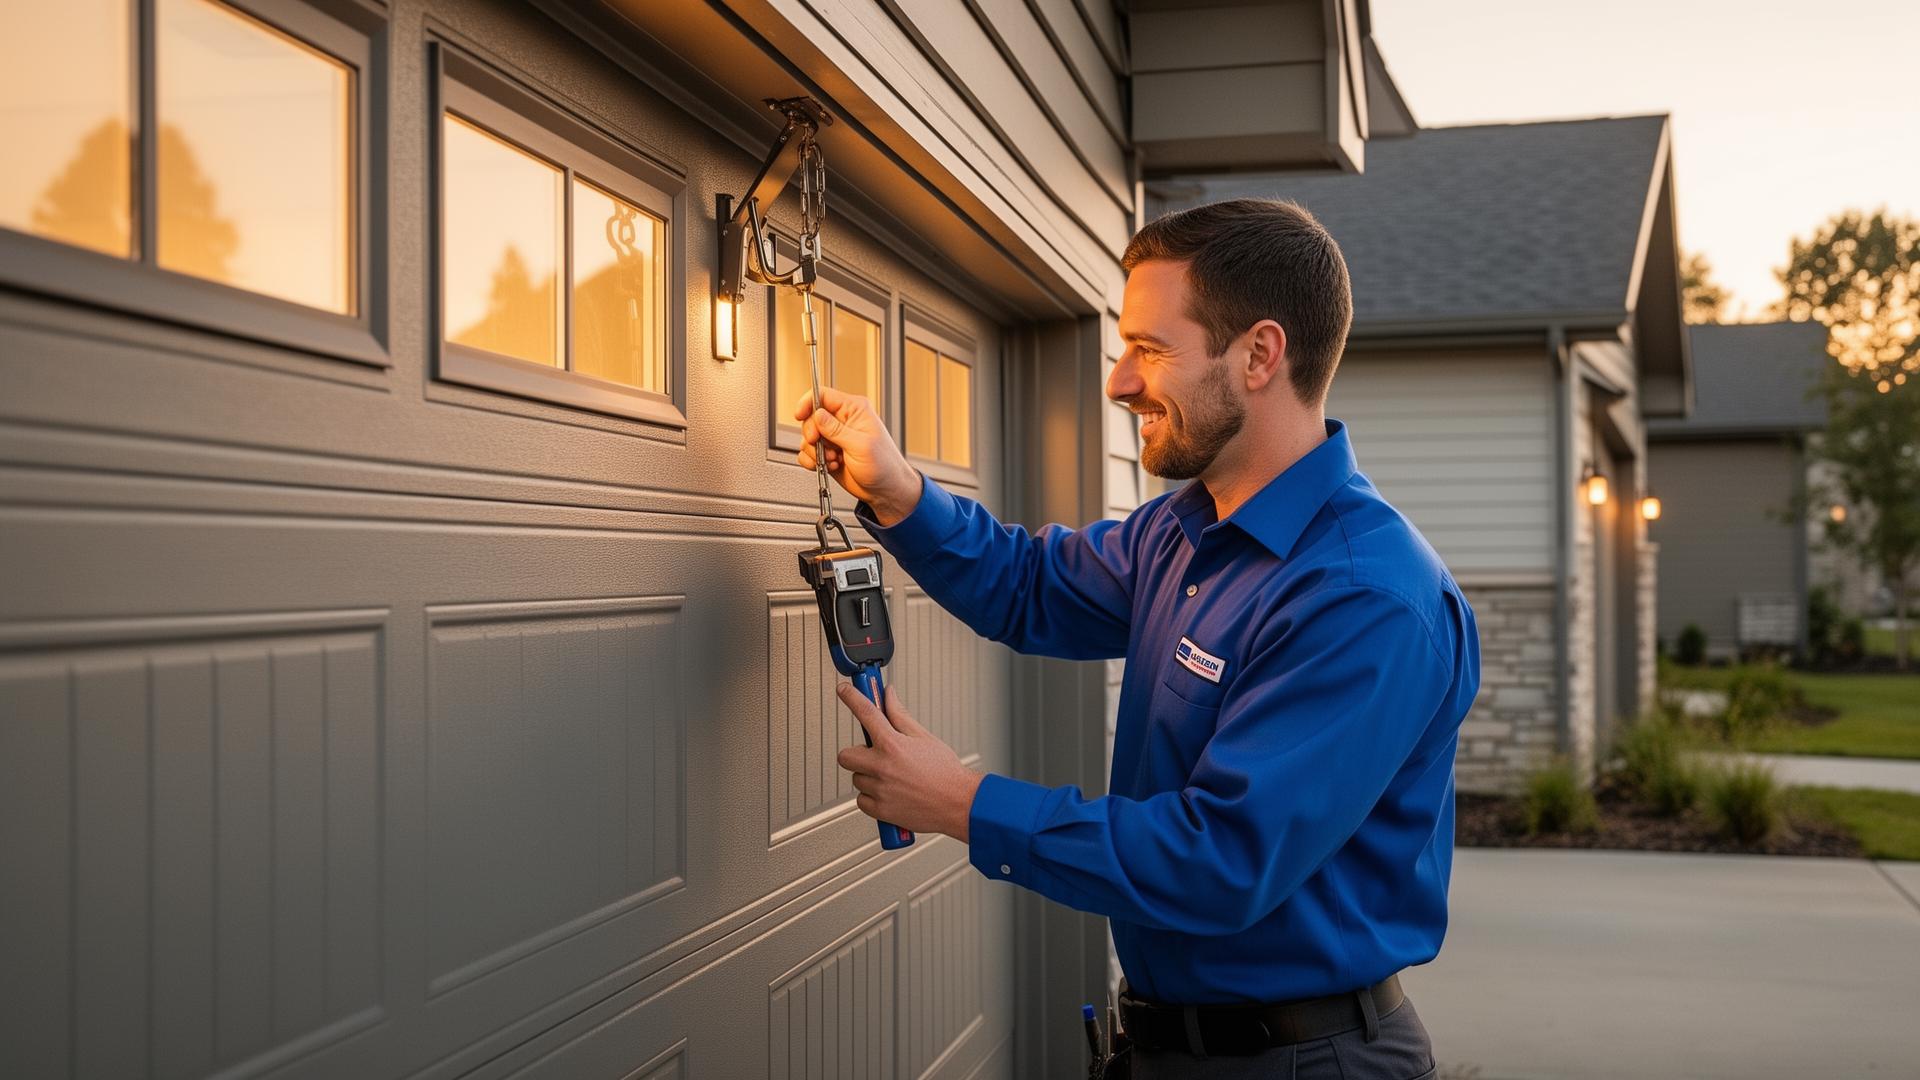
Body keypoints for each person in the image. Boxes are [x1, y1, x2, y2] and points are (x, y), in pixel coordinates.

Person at [797, 198, 1479, 1079]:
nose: (1119, 382)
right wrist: (898, 491)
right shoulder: (1183, 530)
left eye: (1149, 351)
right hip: (1172, 1047)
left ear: (1259, 355)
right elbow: (1031, 588)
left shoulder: (1361, 596)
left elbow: (1220, 861)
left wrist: (963, 803)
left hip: (1305, 1061)